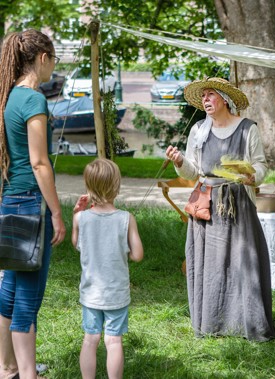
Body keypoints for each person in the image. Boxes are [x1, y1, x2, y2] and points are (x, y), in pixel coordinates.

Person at [165, 77, 275, 341]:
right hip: (207, 205)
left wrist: (251, 176)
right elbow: (193, 171)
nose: (205, 100)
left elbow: (261, 166)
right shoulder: (198, 130)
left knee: (242, 261)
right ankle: (212, 323)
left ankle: (245, 321)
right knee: (211, 266)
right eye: (203, 96)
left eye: (210, 95)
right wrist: (180, 161)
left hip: (237, 204)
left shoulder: (248, 129)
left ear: (224, 99)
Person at [0, 30, 66, 379]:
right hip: (29, 203)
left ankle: (7, 367)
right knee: (27, 296)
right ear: (43, 58)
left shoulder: (9, 96)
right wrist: (56, 211)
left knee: (9, 288)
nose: (52, 69)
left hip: (10, 199)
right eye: (53, 62)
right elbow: (40, 163)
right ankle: (28, 375)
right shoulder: (33, 99)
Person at [71, 158, 144, 379]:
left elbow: (76, 245)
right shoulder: (126, 218)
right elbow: (138, 255)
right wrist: (128, 251)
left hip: (91, 292)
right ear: (116, 186)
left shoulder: (80, 218)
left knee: (90, 339)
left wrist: (76, 212)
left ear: (88, 186)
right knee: (113, 341)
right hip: (116, 294)